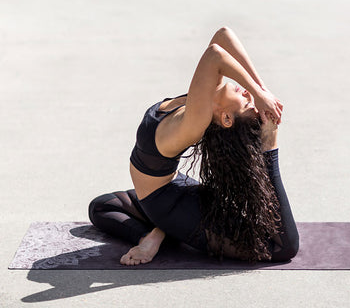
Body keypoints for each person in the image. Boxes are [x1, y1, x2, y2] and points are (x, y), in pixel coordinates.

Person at [88, 27, 299, 265]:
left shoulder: (198, 120)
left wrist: (263, 111)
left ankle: (156, 233)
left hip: (169, 206)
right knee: (101, 206)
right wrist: (262, 91)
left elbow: (215, 54)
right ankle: (157, 231)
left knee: (282, 246)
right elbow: (223, 35)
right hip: (174, 187)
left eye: (246, 103)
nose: (249, 95)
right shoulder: (208, 93)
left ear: (227, 119)